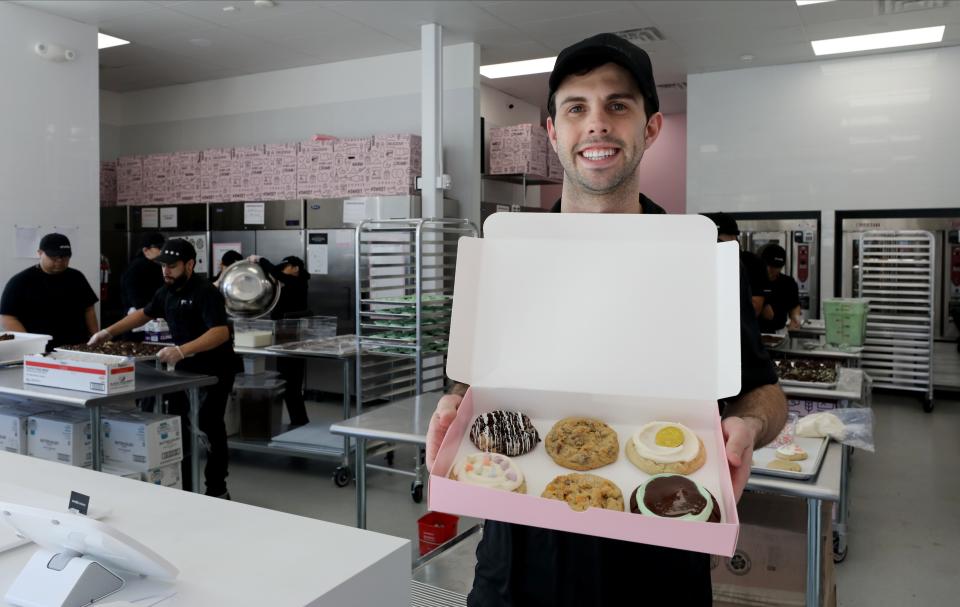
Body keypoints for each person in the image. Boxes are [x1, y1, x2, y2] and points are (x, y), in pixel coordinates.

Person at [425, 33, 788, 606]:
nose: (596, 124)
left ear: (650, 128)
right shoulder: (509, 255)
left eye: (618, 104)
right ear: (552, 130)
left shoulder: (698, 258)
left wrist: (747, 428)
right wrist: (455, 401)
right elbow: (474, 376)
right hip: (518, 569)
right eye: (576, 108)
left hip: (658, 563)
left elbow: (764, 392)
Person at [89, 239, 238, 498]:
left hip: (215, 369)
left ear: (190, 264)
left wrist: (182, 349)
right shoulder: (165, 291)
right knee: (179, 424)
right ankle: (185, 486)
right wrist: (108, 331)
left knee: (209, 424)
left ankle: (217, 488)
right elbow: (144, 314)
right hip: (184, 371)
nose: (166, 271)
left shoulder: (205, 292)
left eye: (172, 266)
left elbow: (220, 332)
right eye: (163, 266)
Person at [0, 233, 99, 349]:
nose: (59, 262)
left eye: (64, 257)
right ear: (40, 253)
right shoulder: (20, 282)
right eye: (54, 257)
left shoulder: (77, 277)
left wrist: (95, 339)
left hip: (77, 347)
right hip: (40, 349)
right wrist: (28, 345)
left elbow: (89, 310)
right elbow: (8, 317)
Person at [248, 254, 312, 426]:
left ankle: (300, 421)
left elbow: (277, 273)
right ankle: (299, 421)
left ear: (296, 268)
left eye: (286, 268)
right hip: (284, 335)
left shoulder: (298, 282)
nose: (283, 271)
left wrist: (261, 259)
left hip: (294, 338)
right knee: (287, 383)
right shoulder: (290, 282)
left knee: (292, 384)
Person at [705, 213, 769, 317]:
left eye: (719, 240)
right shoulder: (703, 263)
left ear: (733, 237)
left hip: (742, 331)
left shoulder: (752, 263)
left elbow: (754, 308)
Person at [120, 232, 166, 337]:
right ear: (145, 250)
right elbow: (137, 299)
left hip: (140, 320)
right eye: (159, 247)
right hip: (142, 321)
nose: (162, 250)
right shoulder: (142, 267)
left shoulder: (141, 265)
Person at [758, 244, 802, 333]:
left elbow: (794, 306)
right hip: (754, 332)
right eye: (769, 265)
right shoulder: (753, 281)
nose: (772, 270)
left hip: (778, 333)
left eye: (776, 267)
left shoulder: (788, 283)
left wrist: (795, 318)